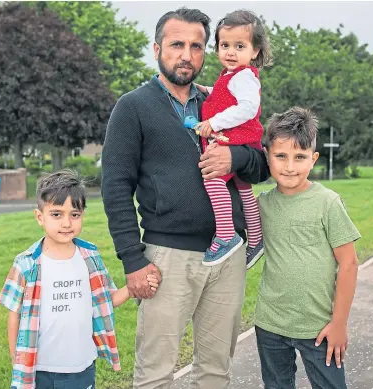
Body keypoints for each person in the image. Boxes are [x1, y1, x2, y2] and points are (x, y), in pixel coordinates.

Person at [101, 7, 269, 389]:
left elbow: (261, 165)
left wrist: (235, 156)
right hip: (167, 258)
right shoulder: (133, 107)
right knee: (155, 374)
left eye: (196, 46)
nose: (186, 54)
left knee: (214, 372)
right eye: (177, 44)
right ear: (157, 47)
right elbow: (114, 187)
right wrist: (132, 260)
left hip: (227, 256)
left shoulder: (221, 102)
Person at [0, 169, 159, 389]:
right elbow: (14, 316)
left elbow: (106, 300)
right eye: (56, 214)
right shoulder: (26, 264)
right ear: (39, 217)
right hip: (41, 370)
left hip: (82, 368)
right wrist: (19, 362)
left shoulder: (90, 258)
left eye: (74, 214)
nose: (66, 223)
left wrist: (133, 287)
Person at [255, 107, 361, 389]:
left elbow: (348, 264)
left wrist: (339, 324)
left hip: (320, 328)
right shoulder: (261, 205)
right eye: (281, 156)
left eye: (299, 157)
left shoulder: (328, 202)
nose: (290, 166)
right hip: (270, 324)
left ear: (313, 160)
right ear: (267, 156)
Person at [191, 10, 272, 268]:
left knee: (213, 178)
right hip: (241, 139)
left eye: (240, 46)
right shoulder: (231, 76)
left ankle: (226, 236)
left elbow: (247, 107)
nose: (231, 52)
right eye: (225, 45)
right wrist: (209, 91)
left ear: (255, 51)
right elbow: (228, 96)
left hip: (236, 138)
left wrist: (213, 122)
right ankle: (257, 239)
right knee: (245, 190)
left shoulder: (245, 76)